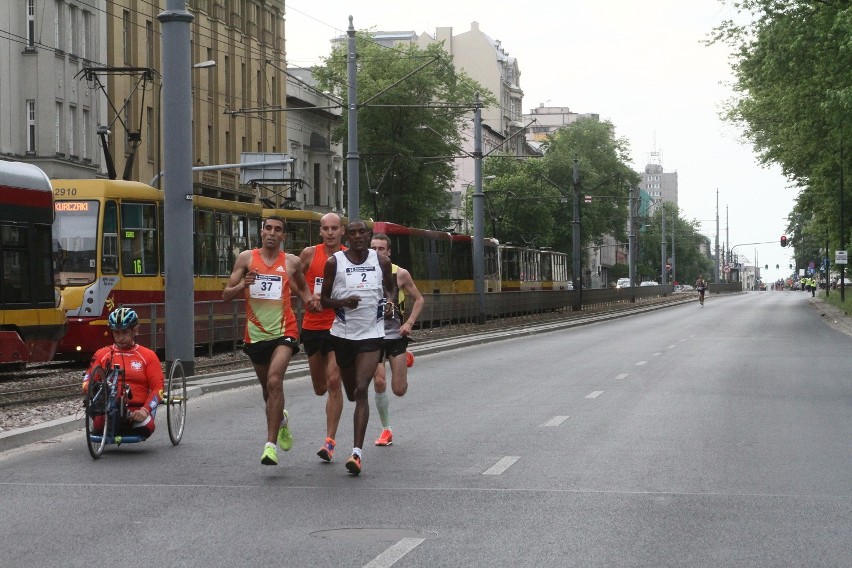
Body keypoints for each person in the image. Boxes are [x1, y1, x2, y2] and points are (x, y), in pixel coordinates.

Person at [223, 215, 314, 466]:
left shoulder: (292, 262)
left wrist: (311, 303)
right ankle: (282, 421)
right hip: (256, 335)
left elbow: (304, 289)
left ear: (283, 236)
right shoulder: (246, 258)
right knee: (268, 391)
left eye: (278, 230)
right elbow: (225, 295)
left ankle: (269, 446)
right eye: (269, 228)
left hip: (285, 331)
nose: (273, 233)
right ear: (262, 232)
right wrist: (244, 284)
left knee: (275, 380)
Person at [320, 220, 396, 475]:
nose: (357, 236)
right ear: (346, 236)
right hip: (342, 335)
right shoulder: (335, 263)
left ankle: (356, 454)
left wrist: (390, 302)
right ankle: (353, 440)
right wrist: (343, 302)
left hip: (372, 335)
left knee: (363, 388)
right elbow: (324, 300)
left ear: (368, 234)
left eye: (362, 232)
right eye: (352, 233)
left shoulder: (380, 261)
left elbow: (390, 286)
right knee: (352, 393)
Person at [369, 233, 425, 447]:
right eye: (373, 248)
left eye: (381, 248)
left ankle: (406, 356)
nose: (376, 252)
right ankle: (386, 429)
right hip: (373, 336)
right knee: (379, 381)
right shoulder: (361, 272)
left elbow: (419, 299)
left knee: (399, 390)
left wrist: (409, 323)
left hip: (396, 335)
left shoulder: (400, 274)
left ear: (389, 252)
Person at [299, 212, 346, 462]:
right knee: (320, 388)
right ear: (320, 231)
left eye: (334, 228)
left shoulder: (349, 257)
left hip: (338, 326)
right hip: (313, 327)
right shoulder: (309, 254)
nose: (330, 232)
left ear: (342, 231)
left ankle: (329, 441)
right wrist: (308, 298)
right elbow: (293, 277)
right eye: (325, 228)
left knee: (334, 381)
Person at [82, 307, 164, 441]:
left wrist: (144, 410)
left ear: (135, 330)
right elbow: (89, 378)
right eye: (116, 333)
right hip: (108, 408)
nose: (120, 338)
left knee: (146, 426)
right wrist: (88, 387)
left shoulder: (148, 356)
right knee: (99, 425)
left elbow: (158, 388)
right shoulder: (102, 354)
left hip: (136, 410)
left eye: (125, 332)